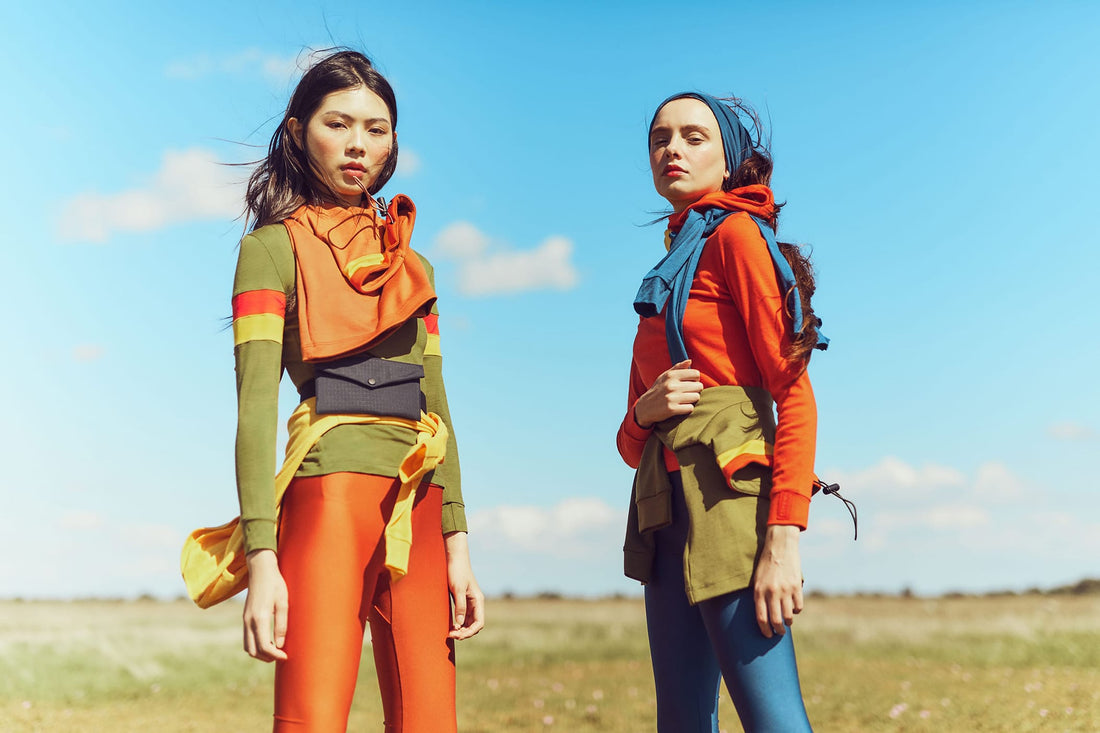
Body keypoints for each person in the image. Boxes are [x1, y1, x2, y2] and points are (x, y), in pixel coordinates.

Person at [181, 49, 483, 733]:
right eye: (339, 123)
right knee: (310, 720)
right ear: (297, 131)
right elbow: (255, 410)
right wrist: (263, 556)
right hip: (327, 496)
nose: (358, 144)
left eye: (376, 129)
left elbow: (440, 404)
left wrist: (459, 543)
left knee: (430, 722)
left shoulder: (419, 266)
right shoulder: (269, 249)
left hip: (421, 500)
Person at [617, 92, 829, 732]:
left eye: (693, 137)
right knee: (680, 722)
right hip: (663, 510)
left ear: (730, 157)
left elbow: (794, 393)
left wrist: (783, 538)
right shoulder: (663, 275)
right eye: (660, 138)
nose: (672, 149)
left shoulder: (737, 237)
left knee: (773, 719)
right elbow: (631, 445)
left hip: (732, 506)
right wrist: (648, 410)